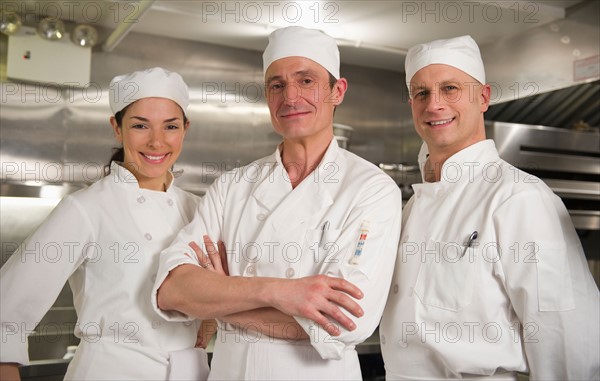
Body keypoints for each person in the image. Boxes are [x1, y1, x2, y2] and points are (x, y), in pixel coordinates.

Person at [153, 26, 403, 380]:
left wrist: (221, 299)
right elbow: (171, 290)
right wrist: (281, 292)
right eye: (277, 85)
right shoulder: (232, 186)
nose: (290, 97)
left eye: (306, 81)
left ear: (337, 91)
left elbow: (344, 323)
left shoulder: (371, 189)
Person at [379, 35, 600, 380]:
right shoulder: (410, 208)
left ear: (483, 98)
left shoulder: (519, 198)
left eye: (450, 89)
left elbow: (567, 338)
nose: (433, 105)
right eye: (421, 93)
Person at [0, 67, 210, 380]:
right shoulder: (87, 207)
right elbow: (8, 307)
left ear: (185, 129)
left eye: (170, 126)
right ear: (117, 127)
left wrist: (211, 318)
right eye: (140, 125)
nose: (157, 142)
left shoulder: (200, 209)